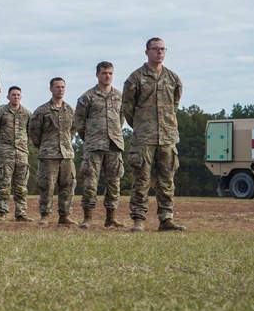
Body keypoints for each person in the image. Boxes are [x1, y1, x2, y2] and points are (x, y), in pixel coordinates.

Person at [122, 38, 187, 232]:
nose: (159, 52)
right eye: (155, 49)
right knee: (141, 180)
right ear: (147, 52)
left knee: (167, 179)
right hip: (144, 138)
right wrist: (142, 125)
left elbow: (174, 105)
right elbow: (128, 108)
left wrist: (165, 125)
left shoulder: (174, 79)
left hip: (167, 137)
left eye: (162, 49)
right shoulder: (135, 78)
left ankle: (166, 219)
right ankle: (138, 220)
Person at [74, 62, 127, 229]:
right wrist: (89, 138)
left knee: (114, 182)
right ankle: (87, 217)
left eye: (110, 73)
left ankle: (111, 217)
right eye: (104, 73)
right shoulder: (87, 97)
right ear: (97, 74)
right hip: (94, 146)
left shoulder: (119, 96)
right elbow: (79, 121)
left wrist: (114, 135)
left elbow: (121, 119)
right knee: (90, 183)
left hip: (114, 145)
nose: (107, 76)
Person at [28, 77, 78, 226]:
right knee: (46, 186)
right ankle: (45, 215)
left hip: (66, 154)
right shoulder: (42, 111)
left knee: (68, 185)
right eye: (57, 87)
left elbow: (74, 129)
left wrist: (67, 143)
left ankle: (65, 215)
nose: (60, 89)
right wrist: (44, 146)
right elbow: (34, 132)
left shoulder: (70, 110)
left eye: (62, 87)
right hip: (48, 154)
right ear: (51, 89)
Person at [0, 86, 34, 222]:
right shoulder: (1, 112)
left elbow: (31, 133)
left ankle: (21, 213)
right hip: (4, 154)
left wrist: (24, 145)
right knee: (4, 185)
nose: (16, 97)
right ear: (8, 97)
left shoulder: (27, 114)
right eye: (13, 95)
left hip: (22, 154)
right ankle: (3, 213)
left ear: (21, 97)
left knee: (21, 186)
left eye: (18, 95)